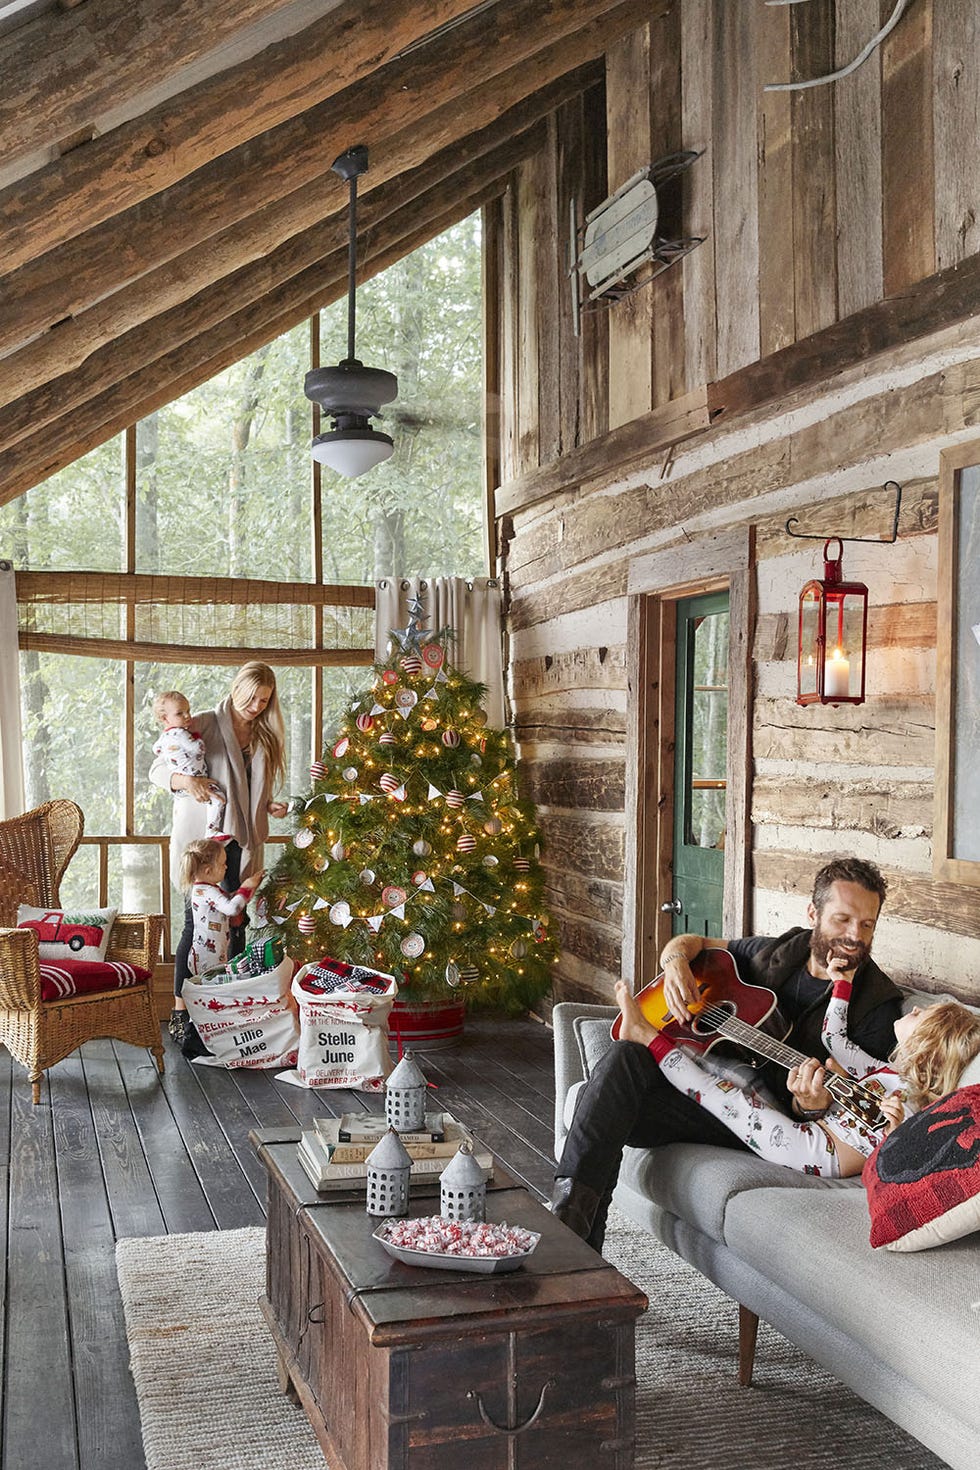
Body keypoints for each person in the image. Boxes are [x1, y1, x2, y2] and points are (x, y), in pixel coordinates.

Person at [551, 857, 907, 1250]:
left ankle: (567, 1248)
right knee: (623, 1062)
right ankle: (576, 1237)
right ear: (813, 914)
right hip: (705, 1081)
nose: (855, 935)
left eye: (867, 924)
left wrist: (811, 1106)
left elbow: (851, 1120)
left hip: (753, 1119)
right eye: (842, 919)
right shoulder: (778, 953)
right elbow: (694, 944)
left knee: (604, 1106)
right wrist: (674, 965)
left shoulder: (876, 1006)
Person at [619, 967, 980, 1178]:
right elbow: (833, 1039)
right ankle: (650, 1041)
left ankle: (647, 1037)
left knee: (723, 1095)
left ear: (928, 1044)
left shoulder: (923, 1106)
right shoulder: (882, 1070)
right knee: (727, 1087)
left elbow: (908, 1159)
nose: (914, 1011)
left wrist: (898, 1131)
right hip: (816, 1122)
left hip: (819, 1152)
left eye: (922, 1016)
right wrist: (842, 986)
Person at [149, 661, 288, 1046]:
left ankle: (227, 1011)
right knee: (195, 929)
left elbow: (248, 791)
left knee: (237, 927)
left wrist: (270, 805)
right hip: (204, 843)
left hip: (242, 844)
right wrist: (186, 780)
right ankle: (181, 1013)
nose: (256, 706)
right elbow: (158, 769)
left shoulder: (264, 735)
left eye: (264, 700)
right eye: (251, 697)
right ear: (236, 688)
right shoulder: (206, 723)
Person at [178, 838, 264, 976]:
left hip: (214, 954)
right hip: (207, 958)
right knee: (212, 991)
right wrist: (246, 887)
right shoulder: (207, 891)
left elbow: (226, 903)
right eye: (223, 863)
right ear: (208, 871)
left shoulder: (206, 889)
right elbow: (232, 908)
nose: (226, 867)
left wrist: (247, 890)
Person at [152, 690, 226, 839]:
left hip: (183, 791)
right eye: (180, 713)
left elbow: (156, 748)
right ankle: (212, 830)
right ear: (165, 718)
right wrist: (197, 738)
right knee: (218, 799)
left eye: (188, 711)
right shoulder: (184, 733)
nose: (187, 716)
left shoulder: (164, 738)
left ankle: (212, 831)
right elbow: (198, 748)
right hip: (193, 786)